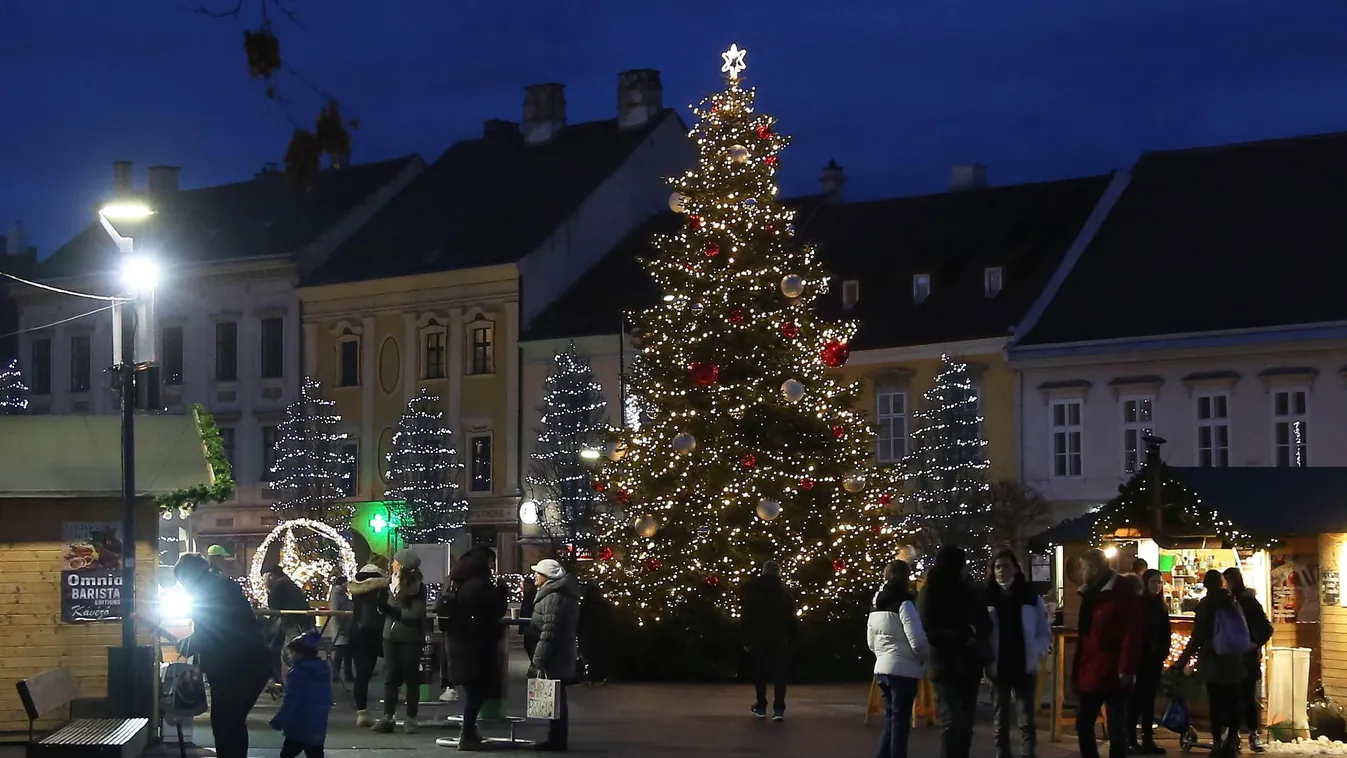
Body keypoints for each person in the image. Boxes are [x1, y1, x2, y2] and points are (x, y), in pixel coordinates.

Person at [173, 553, 272, 758]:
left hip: (234, 667)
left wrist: (188, 645)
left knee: (225, 722)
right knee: (232, 721)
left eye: (182, 581)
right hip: (250, 663)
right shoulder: (220, 585)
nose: (183, 586)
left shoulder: (208, 591)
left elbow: (212, 630)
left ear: (189, 576)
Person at [918, 546, 991, 758]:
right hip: (949, 663)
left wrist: (972, 631)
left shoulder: (965, 590)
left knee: (962, 721)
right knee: (956, 720)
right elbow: (929, 629)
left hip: (961, 662)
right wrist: (966, 632)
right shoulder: (934, 591)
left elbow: (984, 621)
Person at [1073, 548, 1142, 758]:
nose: (1080, 574)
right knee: (1083, 723)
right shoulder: (1092, 593)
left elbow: (1132, 633)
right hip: (1092, 669)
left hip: (1114, 672)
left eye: (1083, 568)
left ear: (1093, 569)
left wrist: (1126, 669)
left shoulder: (1120, 593)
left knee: (1116, 730)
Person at [1173, 570, 1249, 757]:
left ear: (1206, 585)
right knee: (1233, 700)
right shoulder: (1234, 602)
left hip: (1213, 658)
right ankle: (1232, 738)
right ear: (1222, 583)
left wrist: (1181, 661)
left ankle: (1217, 742)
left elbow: (1197, 637)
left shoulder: (1206, 605)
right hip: (1233, 658)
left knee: (1216, 701)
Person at [985, 549, 1053, 758]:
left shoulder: (1029, 596)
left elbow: (1043, 631)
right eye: (997, 567)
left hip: (1024, 664)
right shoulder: (987, 596)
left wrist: (1037, 652)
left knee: (1026, 720)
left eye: (1005, 566)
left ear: (1015, 568)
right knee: (1001, 720)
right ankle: (1003, 754)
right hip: (999, 665)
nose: (1001, 571)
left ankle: (1027, 755)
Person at [439, 546, 508, 750]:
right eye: (491, 561)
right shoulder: (480, 584)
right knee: (477, 691)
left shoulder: (453, 581)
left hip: (456, 643)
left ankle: (470, 731)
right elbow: (496, 611)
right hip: (476, 645)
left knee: (471, 691)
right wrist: (502, 591)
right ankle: (466, 734)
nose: (493, 566)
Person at [868, 559, 929, 758]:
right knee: (900, 725)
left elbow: (870, 641)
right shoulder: (905, 604)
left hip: (883, 668)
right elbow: (917, 639)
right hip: (904, 670)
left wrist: (882, 655)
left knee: (890, 720)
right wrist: (924, 658)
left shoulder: (876, 605)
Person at [373, 548, 427, 734]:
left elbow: (415, 614)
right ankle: (388, 717)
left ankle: (410, 718)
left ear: (402, 564)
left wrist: (391, 611)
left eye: (395, 561)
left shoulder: (417, 587)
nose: (392, 563)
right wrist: (382, 608)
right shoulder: (389, 583)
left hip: (410, 637)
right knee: (391, 677)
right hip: (390, 637)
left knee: (411, 678)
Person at [530, 558, 581, 752]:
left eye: (538, 573)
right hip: (558, 653)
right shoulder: (555, 594)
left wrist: (537, 661)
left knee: (556, 697)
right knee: (555, 697)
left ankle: (557, 740)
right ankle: (556, 738)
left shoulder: (554, 597)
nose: (535, 575)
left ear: (547, 577)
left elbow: (549, 632)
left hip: (556, 655)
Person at [1223, 567, 1272, 754]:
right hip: (1233, 657)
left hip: (1246, 657)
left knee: (1246, 696)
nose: (1227, 584)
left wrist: (1254, 643)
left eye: (1229, 580)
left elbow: (1267, 628)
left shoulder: (1248, 602)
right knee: (1233, 696)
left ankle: (1251, 733)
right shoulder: (1227, 602)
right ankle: (1234, 734)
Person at [739, 560, 796, 720]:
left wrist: (746, 639)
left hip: (758, 637)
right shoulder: (784, 594)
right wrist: (792, 638)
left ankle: (761, 705)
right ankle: (779, 709)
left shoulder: (754, 592)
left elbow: (747, 617)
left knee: (759, 673)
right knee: (780, 676)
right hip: (778, 638)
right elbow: (791, 619)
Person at [270, 630, 332, 758]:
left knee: (286, 755)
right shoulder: (322, 670)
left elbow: (291, 700)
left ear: (300, 654)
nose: (289, 656)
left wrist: (279, 721)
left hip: (299, 727)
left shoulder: (298, 673)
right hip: (317, 727)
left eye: (292, 653)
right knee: (315, 754)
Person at [1130, 569, 1172, 755]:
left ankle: (1147, 739)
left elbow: (1165, 632)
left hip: (1154, 660)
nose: (1157, 586)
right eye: (1154, 582)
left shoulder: (1160, 606)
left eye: (1159, 582)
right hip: (1140, 660)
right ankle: (1131, 739)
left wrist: (1162, 653)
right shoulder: (1139, 605)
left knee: (1149, 702)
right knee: (1136, 701)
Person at [347, 563, 388, 727]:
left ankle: (362, 712)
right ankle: (390, 711)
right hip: (377, 633)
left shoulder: (356, 590)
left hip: (356, 633)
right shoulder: (381, 588)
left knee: (362, 675)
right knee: (394, 667)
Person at [265, 565, 315, 689]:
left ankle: (293, 681)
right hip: (299, 621)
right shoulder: (288, 583)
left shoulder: (279, 585)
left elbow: (274, 606)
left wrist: (268, 589)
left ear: (272, 575)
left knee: (291, 651)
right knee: (282, 649)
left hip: (291, 622)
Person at [328, 574, 354, 684]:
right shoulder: (337, 594)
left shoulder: (340, 594)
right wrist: (341, 628)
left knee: (346, 653)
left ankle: (345, 675)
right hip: (341, 628)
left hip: (344, 627)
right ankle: (337, 675)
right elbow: (336, 612)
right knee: (340, 653)